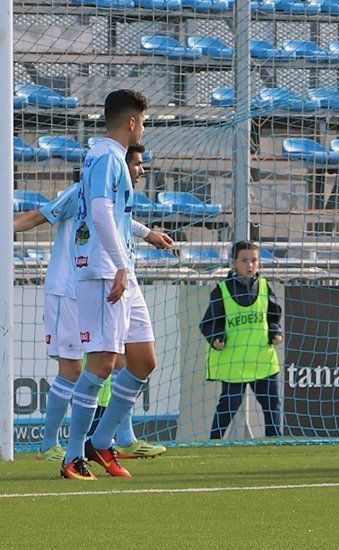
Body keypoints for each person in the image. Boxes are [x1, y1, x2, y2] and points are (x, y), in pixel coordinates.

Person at [14, 144, 171, 463]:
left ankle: (124, 438)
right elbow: (38, 216)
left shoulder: (116, 197)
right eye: (137, 163)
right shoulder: (81, 192)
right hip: (68, 289)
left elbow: (120, 223)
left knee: (123, 361)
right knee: (72, 371)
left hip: (95, 285)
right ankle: (48, 445)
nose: (141, 170)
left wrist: (149, 234)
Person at [61, 89, 161, 480]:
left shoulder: (110, 158)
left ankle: (101, 442)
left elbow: (113, 215)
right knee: (102, 364)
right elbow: (100, 211)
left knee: (143, 361)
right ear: (133, 122)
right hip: (105, 271)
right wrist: (120, 265)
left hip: (121, 269)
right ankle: (72, 456)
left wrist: (146, 234)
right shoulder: (105, 157)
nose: (144, 129)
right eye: (145, 121)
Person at [200, 240, 284, 439]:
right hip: (234, 363)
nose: (250, 265)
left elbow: (273, 316)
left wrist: (275, 332)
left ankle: (275, 443)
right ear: (233, 264)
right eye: (244, 260)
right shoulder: (221, 291)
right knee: (228, 406)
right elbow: (208, 323)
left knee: (271, 404)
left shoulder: (264, 287)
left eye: (254, 260)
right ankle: (214, 443)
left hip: (261, 360)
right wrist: (216, 337)